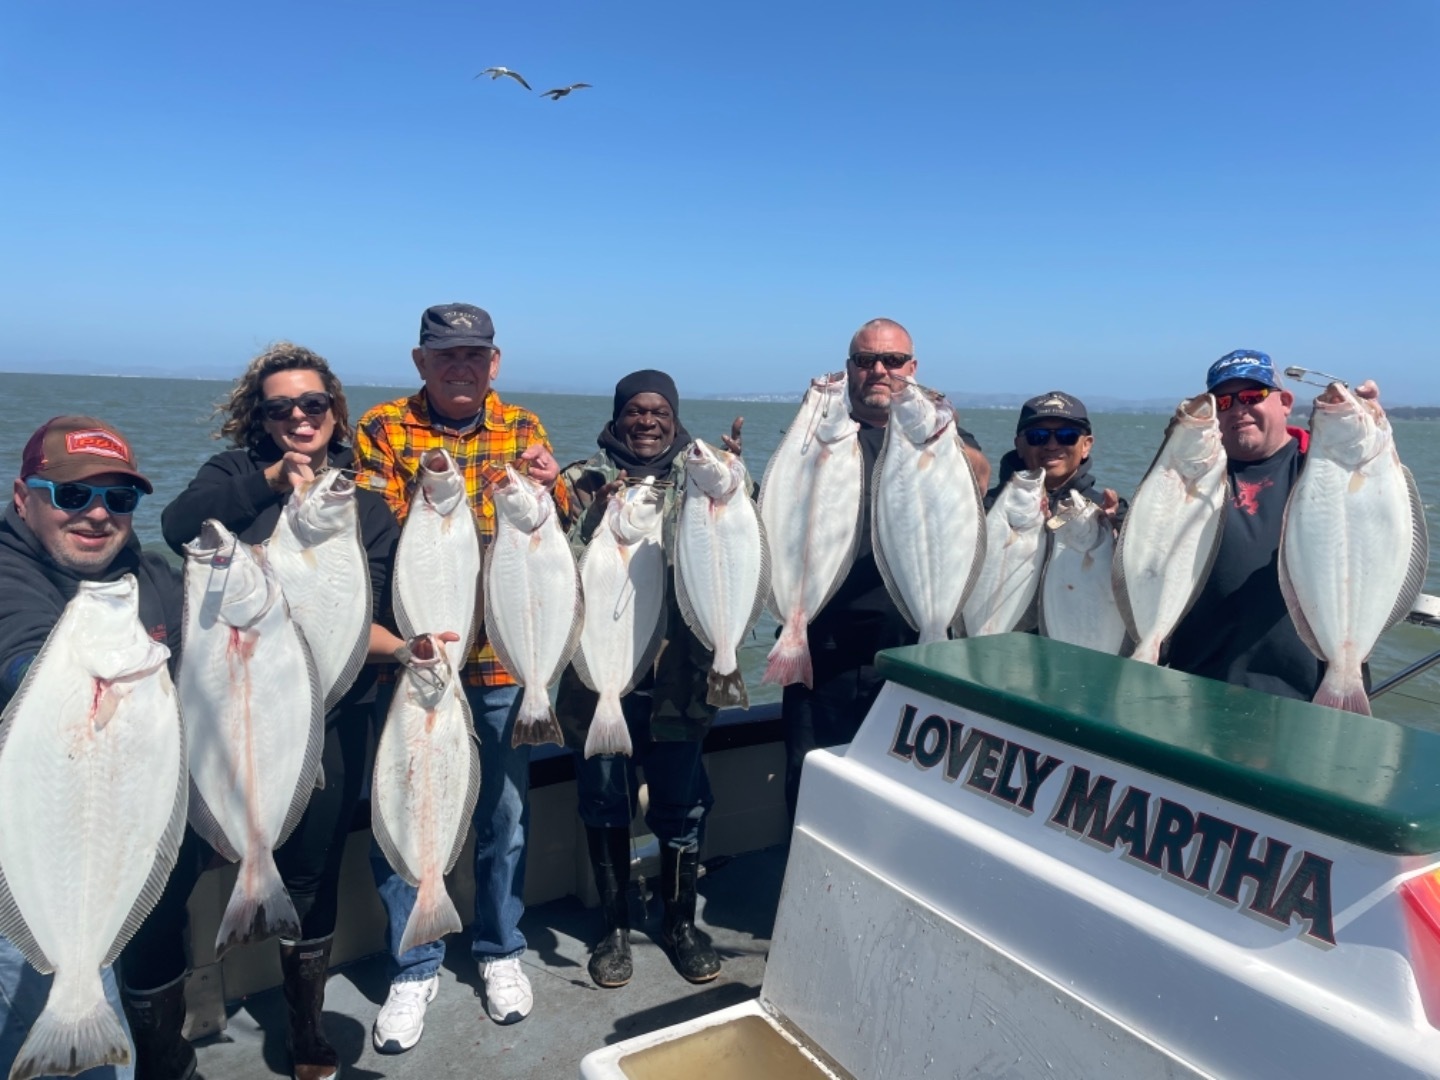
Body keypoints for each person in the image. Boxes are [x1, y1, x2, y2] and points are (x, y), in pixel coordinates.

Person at [136, 343, 400, 1080]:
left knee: (309, 876)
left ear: (334, 411)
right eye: (279, 407)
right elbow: (181, 527)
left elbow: (363, 610)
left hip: (327, 718)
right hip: (216, 717)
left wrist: (410, 650)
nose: (297, 418)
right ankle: (162, 1052)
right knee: (165, 883)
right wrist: (268, 484)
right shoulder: (231, 478)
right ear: (261, 417)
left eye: (311, 404)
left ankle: (308, 1030)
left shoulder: (364, 508)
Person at [353, 303, 571, 1052]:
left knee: (503, 816)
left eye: (473, 355)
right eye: (445, 356)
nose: (460, 368)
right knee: (407, 807)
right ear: (421, 362)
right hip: (419, 664)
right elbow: (371, 533)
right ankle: (414, 961)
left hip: (502, 661)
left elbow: (551, 527)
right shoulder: (383, 427)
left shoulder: (523, 427)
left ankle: (500, 949)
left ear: (494, 363)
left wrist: (557, 486)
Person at [0, 416, 180, 1080]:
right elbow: (17, 651)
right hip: (30, 867)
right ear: (24, 499)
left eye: (121, 499)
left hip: (111, 851)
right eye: (73, 496)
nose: (99, 514)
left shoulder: (149, 574)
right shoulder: (7, 571)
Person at [555, 370, 745, 990]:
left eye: (659, 410)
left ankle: (677, 923)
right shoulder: (578, 482)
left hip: (680, 681)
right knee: (604, 800)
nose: (647, 421)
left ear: (675, 417)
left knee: (681, 805)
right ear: (617, 417)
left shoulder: (703, 478)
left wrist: (736, 488)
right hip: (598, 682)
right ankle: (613, 928)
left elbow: (743, 551)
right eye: (634, 410)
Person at [781, 318, 990, 819]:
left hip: (909, 650)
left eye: (893, 361)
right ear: (848, 368)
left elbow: (980, 476)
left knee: (901, 799)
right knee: (813, 791)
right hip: (823, 654)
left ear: (912, 368)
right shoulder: (818, 433)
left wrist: (940, 429)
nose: (880, 370)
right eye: (865, 360)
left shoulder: (942, 437)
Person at [1166, 349, 1379, 700]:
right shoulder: (1188, 480)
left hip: (1308, 698)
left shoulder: (1327, 469)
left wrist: (1368, 424)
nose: (1238, 409)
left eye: (1253, 396)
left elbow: (1380, 515)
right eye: (1224, 401)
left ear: (1286, 402)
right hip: (1195, 692)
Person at [985, 391, 1126, 526]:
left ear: (1086, 446)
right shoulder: (983, 510)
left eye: (1067, 435)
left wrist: (1115, 531)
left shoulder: (1113, 513)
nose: (1052, 446)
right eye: (1038, 436)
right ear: (1019, 445)